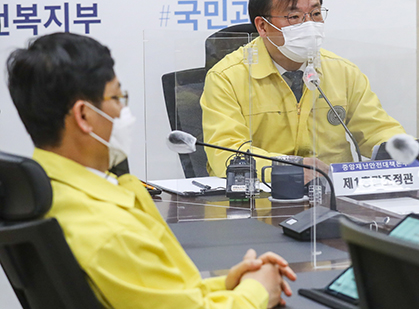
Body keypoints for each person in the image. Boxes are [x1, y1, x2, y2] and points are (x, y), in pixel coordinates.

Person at [6, 32, 295, 309]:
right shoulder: (111, 231)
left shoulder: (53, 193)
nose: (124, 112)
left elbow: (159, 294)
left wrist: (228, 284)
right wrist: (257, 290)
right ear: (84, 115)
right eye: (117, 99)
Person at [201, 0, 406, 180]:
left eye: (315, 14)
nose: (309, 25)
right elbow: (226, 153)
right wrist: (290, 168)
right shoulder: (226, 78)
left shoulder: (343, 71)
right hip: (263, 193)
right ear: (262, 26)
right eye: (294, 17)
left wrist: (404, 150)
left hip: (334, 192)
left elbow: (377, 130)